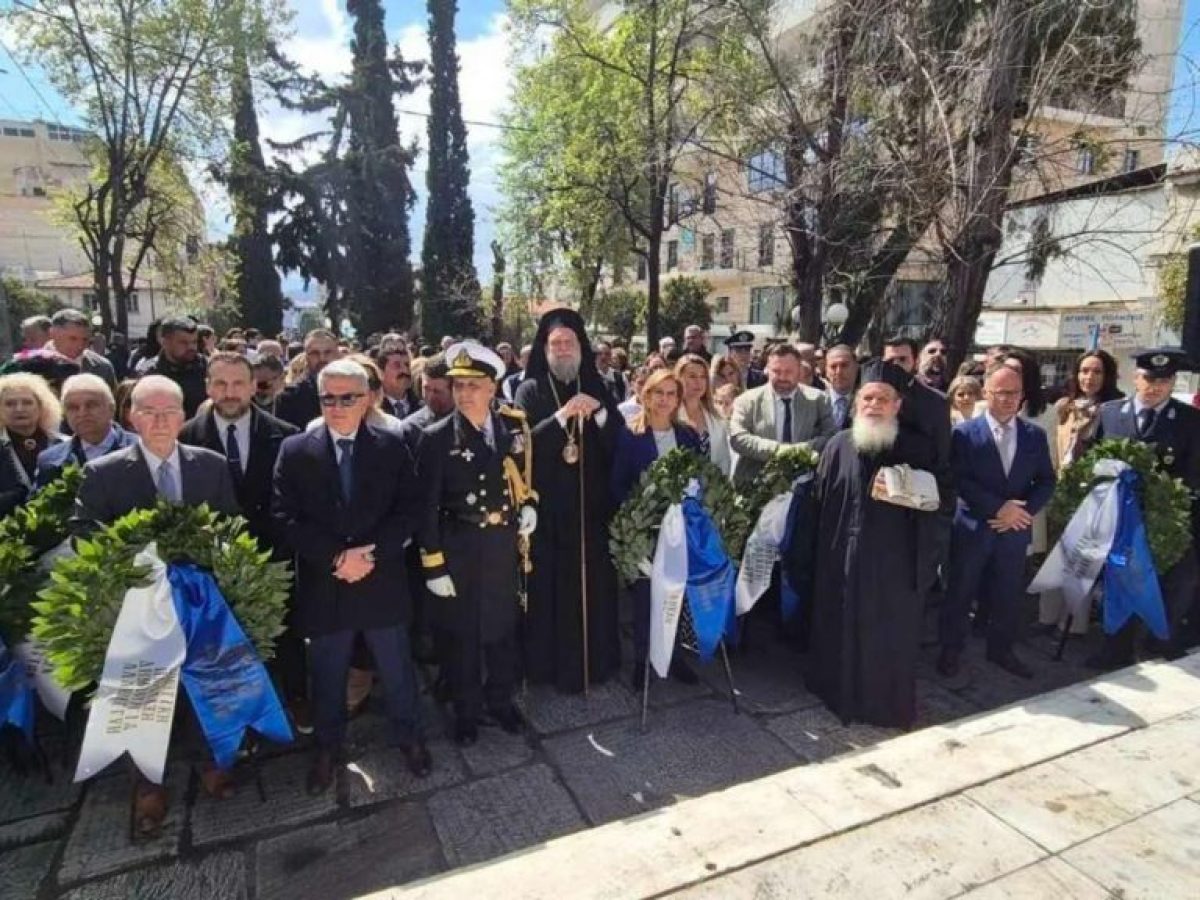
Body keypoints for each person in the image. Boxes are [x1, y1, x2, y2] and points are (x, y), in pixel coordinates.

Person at [71, 375, 240, 835]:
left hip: (200, 605)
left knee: (201, 685)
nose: (161, 421)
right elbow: (83, 531)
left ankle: (210, 763)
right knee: (145, 696)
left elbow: (232, 524)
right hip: (137, 609)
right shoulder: (104, 472)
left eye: (169, 412)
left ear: (184, 416)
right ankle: (148, 785)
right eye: (149, 411)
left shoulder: (210, 465)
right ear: (132, 416)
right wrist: (136, 561)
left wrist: (215, 556)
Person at [272, 359, 431, 794]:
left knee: (397, 670)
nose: (337, 406)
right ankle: (327, 747)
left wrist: (371, 553)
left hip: (382, 580)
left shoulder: (393, 446)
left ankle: (409, 738)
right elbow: (285, 517)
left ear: (367, 399)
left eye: (348, 397)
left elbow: (409, 510)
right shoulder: (296, 450)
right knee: (326, 673)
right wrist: (337, 558)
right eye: (328, 397)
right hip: (328, 583)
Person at [416, 343, 537, 745]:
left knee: (503, 629)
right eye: (458, 385)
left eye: (474, 385)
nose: (465, 393)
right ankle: (466, 711)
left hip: (502, 543)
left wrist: (529, 506)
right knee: (463, 637)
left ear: (493, 387)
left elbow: (524, 476)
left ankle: (500, 701)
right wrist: (433, 565)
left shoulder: (513, 426)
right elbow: (426, 507)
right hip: (460, 546)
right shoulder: (435, 439)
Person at [808, 361, 936, 728]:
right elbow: (819, 507)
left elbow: (936, 507)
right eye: (868, 397)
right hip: (840, 561)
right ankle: (836, 693)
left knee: (886, 636)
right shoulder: (836, 446)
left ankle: (883, 706)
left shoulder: (918, 448)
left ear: (897, 406)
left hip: (893, 567)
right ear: (856, 403)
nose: (874, 405)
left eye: (884, 398)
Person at [514, 309, 622, 692]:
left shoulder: (596, 383)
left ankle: (597, 663)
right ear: (544, 349)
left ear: (581, 347)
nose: (562, 349)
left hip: (591, 512)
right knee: (550, 591)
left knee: (592, 589)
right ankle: (549, 668)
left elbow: (617, 440)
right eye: (555, 344)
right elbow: (521, 445)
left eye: (568, 343)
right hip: (548, 515)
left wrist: (601, 414)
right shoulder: (530, 390)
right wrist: (561, 415)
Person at [941, 364, 1056, 680]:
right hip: (973, 528)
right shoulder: (964, 434)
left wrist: (1023, 512)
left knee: (1007, 593)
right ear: (987, 393)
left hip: (1014, 531)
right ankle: (951, 651)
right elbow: (958, 479)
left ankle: (1001, 649)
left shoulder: (1034, 435)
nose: (1008, 399)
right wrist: (998, 508)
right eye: (1001, 392)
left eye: (1015, 393)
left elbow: (1046, 480)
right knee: (961, 592)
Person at [1092, 349, 1200, 666]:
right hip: (1122, 519)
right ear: (1136, 378)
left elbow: (1194, 472)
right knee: (1120, 582)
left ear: (1173, 382)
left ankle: (1159, 639)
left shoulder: (1190, 420)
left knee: (1178, 581)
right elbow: (1095, 461)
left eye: (1164, 381)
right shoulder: (1110, 413)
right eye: (1149, 379)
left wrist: (1165, 503)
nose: (1155, 387)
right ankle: (1116, 648)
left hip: (1169, 520)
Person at [611, 368, 703, 687]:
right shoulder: (630, 436)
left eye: (671, 394)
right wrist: (641, 514)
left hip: (678, 532)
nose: (664, 400)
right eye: (658, 393)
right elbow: (618, 484)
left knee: (676, 593)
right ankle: (641, 660)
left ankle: (673, 656)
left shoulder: (688, 435)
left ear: (678, 399)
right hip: (644, 531)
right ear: (646, 396)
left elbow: (699, 478)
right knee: (645, 598)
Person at [729, 344, 836, 489]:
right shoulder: (747, 400)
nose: (782, 377)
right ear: (767, 370)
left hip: (805, 487)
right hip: (755, 487)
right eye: (776, 371)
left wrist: (799, 451)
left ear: (799, 371)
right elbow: (738, 438)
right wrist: (777, 450)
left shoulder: (818, 400)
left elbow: (830, 435)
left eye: (788, 371)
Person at [34, 374, 135, 490]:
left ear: (111, 408)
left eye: (91, 405)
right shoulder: (50, 460)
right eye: (73, 407)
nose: (82, 413)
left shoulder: (142, 450)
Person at [0, 373, 63, 516]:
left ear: (42, 406)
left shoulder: (64, 444)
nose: (19, 409)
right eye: (10, 404)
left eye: (27, 402)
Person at [1053, 349, 1122, 466]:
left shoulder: (1116, 409)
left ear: (1107, 376)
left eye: (1097, 372)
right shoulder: (1064, 406)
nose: (1089, 377)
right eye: (1084, 371)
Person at [139, 317, 208, 417]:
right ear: (164, 342)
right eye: (183, 343)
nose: (191, 347)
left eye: (194, 342)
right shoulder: (149, 373)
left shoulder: (207, 367)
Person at [675, 353, 731, 477]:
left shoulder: (717, 417)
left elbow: (724, 460)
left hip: (713, 488)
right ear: (679, 379)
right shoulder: (671, 415)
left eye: (703, 377)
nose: (698, 382)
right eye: (692, 376)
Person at [275, 329, 339, 429]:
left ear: (337, 354)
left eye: (328, 352)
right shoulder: (290, 396)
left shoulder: (354, 390)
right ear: (305, 356)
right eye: (314, 353)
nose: (322, 358)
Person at [42, 309, 117, 388]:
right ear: (53, 333)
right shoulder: (33, 363)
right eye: (73, 338)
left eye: (85, 339)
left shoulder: (103, 367)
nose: (80, 345)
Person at [402, 354, 454, 431]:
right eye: (426, 389)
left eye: (437, 392)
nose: (430, 396)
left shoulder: (471, 425)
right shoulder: (411, 428)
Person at [378, 348, 421, 419]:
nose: (405, 370)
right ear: (381, 372)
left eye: (407, 365)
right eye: (397, 365)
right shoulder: (374, 408)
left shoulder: (422, 405)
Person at [823, 344, 858, 431]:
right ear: (826, 371)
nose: (839, 372)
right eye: (833, 367)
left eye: (844, 365)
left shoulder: (866, 402)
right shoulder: (815, 403)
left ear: (856, 367)